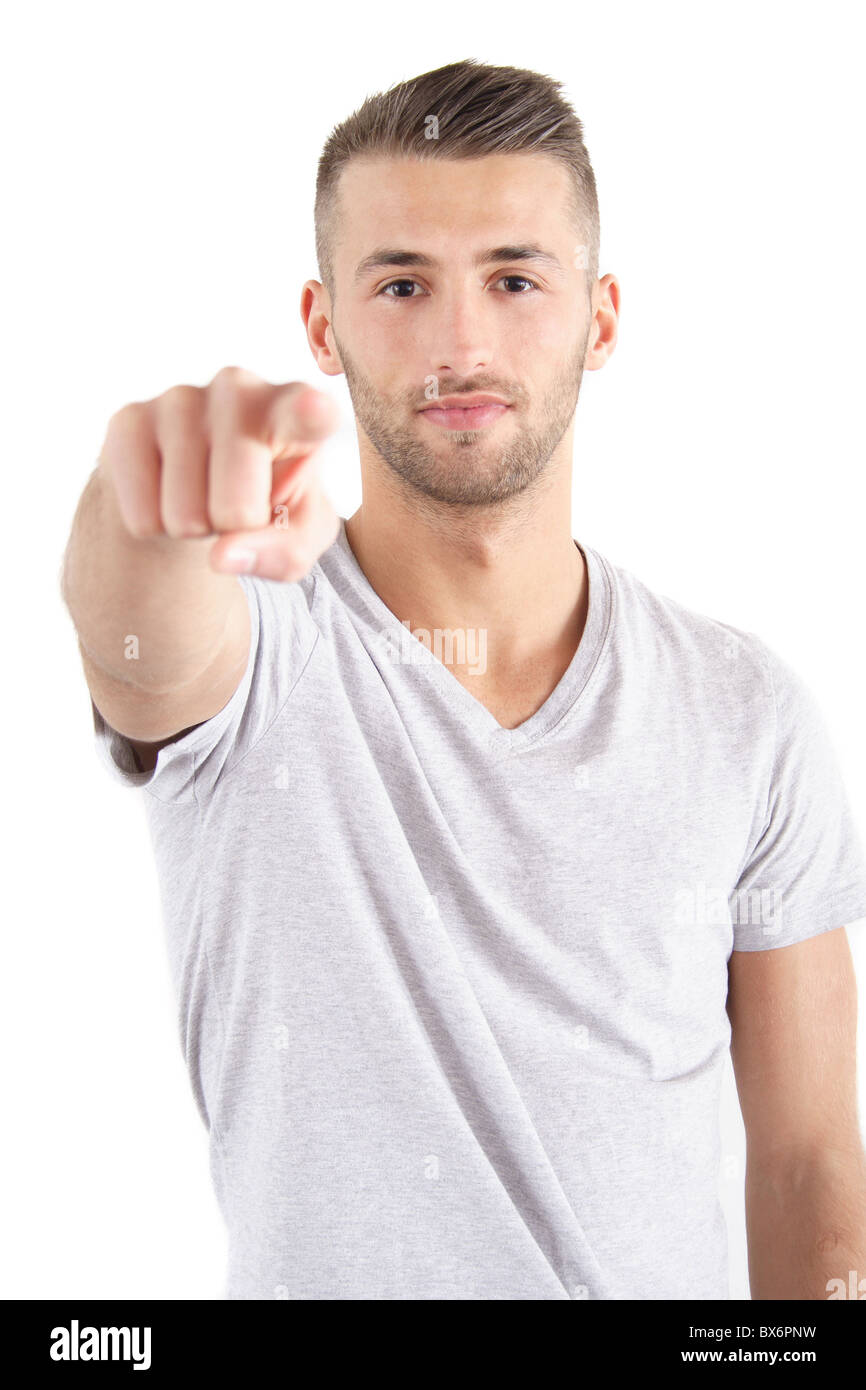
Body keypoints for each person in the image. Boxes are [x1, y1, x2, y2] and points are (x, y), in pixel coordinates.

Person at [61, 59, 866, 1300]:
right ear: (320, 325)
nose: (460, 341)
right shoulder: (259, 659)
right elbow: (136, 635)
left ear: (599, 317)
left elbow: (810, 1169)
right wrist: (148, 496)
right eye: (400, 283)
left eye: (512, 278)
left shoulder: (745, 713)